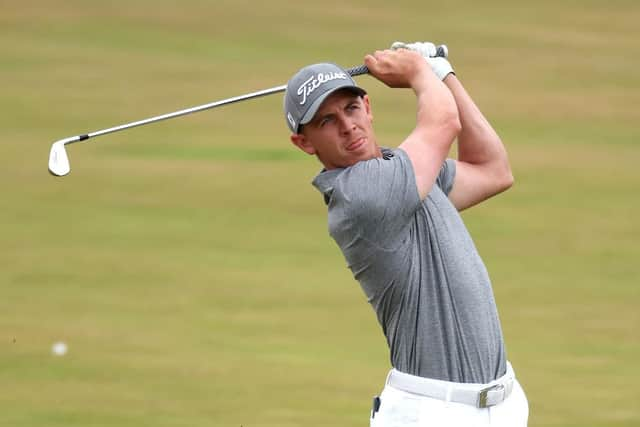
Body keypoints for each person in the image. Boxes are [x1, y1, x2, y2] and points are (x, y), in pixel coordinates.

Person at [283, 42, 529, 426]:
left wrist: (443, 73)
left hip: (502, 404)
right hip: (432, 412)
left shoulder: (403, 169)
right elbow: (444, 122)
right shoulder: (361, 195)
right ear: (304, 142)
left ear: (368, 107)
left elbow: (492, 169)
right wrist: (418, 71)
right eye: (326, 121)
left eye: (350, 108)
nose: (348, 126)